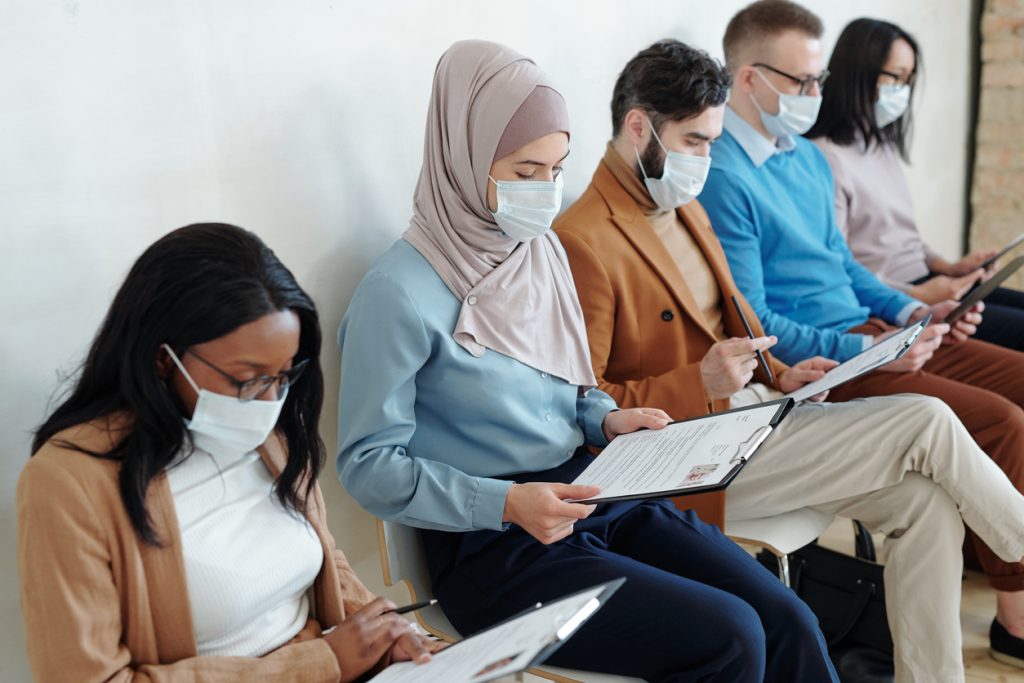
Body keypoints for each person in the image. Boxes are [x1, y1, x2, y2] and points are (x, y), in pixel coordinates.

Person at [337, 39, 841, 682]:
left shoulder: (536, 252)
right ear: (461, 157)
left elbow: (569, 388)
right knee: (731, 636)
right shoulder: (398, 293)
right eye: (524, 172)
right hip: (498, 548)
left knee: (785, 615)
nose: (545, 192)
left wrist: (604, 420)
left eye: (556, 168)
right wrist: (506, 503)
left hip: (597, 490)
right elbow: (367, 467)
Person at [554, 37, 1024, 682]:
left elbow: (736, 320)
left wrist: (783, 373)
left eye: (713, 141)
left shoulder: (679, 202)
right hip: (688, 459)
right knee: (927, 419)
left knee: (926, 506)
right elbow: (583, 406)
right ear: (639, 126)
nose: (706, 158)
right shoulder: (584, 239)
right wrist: (699, 382)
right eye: (694, 141)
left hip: (753, 417)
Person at [698, 0, 1024, 669]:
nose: (817, 95)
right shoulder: (721, 174)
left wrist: (911, 316)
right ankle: (1017, 612)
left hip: (874, 329)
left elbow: (844, 267)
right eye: (802, 82)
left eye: (820, 80)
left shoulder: (803, 160)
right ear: (750, 78)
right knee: (1002, 421)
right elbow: (755, 323)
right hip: (828, 358)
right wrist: (871, 348)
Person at [17, 223, 443, 682]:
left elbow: (324, 558)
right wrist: (320, 663)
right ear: (163, 358)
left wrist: (388, 635)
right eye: (248, 379)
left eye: (283, 376)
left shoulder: (270, 437)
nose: (270, 403)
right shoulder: (70, 482)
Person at [808, 17, 1024, 350]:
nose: (902, 90)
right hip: (898, 297)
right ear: (858, 72)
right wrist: (918, 295)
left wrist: (950, 267)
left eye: (908, 80)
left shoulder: (880, 146)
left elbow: (905, 238)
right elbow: (838, 265)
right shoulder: (824, 157)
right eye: (896, 77)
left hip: (928, 284)